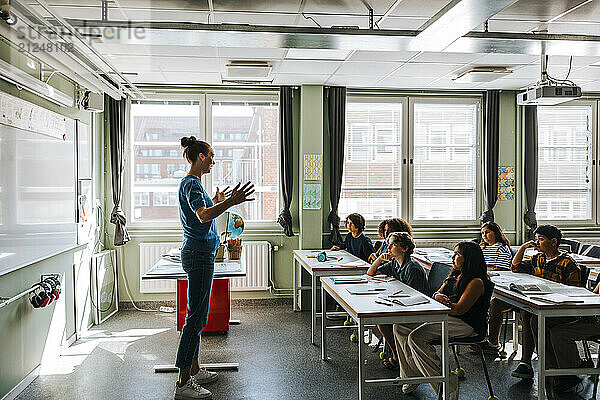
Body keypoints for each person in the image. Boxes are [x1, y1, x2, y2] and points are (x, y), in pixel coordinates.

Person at [175, 136, 255, 400]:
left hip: (201, 253)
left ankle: (194, 370)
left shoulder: (194, 185)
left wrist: (217, 200)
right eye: (210, 155)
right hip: (198, 255)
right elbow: (203, 215)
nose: (213, 160)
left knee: (198, 315)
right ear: (200, 157)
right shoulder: (192, 184)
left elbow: (205, 211)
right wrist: (229, 202)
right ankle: (183, 382)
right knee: (195, 318)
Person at [394, 241, 493, 399]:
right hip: (446, 316)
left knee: (416, 337)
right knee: (401, 327)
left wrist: (439, 302)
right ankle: (411, 375)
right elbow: (437, 294)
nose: (453, 256)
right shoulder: (455, 274)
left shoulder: (476, 281)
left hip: (466, 324)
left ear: (468, 258)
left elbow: (460, 309)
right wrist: (437, 296)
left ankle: (447, 384)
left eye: (458, 254)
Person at [486, 224, 583, 380]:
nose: (537, 243)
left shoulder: (567, 262)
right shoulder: (538, 258)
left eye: (541, 239)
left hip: (556, 306)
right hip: (535, 298)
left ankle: (526, 362)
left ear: (553, 242)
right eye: (536, 239)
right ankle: (492, 344)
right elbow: (515, 267)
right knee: (497, 302)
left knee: (527, 312)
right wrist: (524, 248)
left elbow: (574, 292)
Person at [366, 232, 427, 370]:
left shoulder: (412, 268)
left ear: (404, 249)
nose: (389, 247)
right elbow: (370, 273)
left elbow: (413, 297)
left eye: (393, 244)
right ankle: (397, 354)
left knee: (386, 322)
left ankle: (399, 357)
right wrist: (380, 259)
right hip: (400, 303)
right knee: (381, 322)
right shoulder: (395, 263)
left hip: (415, 309)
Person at [531, 279, 600, 393]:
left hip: (596, 320)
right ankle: (552, 369)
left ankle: (569, 372)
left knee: (559, 333)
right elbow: (593, 294)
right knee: (537, 321)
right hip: (591, 313)